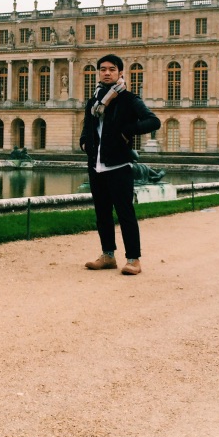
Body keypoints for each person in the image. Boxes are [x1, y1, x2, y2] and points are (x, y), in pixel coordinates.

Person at [79, 54, 161, 275]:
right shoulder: (93, 101)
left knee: (125, 214)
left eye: (112, 69)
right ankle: (108, 256)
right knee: (102, 214)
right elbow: (88, 127)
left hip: (119, 166)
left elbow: (153, 121)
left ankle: (133, 259)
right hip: (96, 166)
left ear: (120, 72)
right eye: (103, 69)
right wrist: (84, 143)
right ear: (99, 72)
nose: (107, 73)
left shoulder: (129, 99)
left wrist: (128, 131)